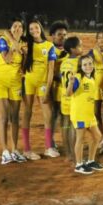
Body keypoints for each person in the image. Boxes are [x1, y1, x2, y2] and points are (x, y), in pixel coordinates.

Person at [20, 20, 58, 160]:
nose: (34, 30)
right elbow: (23, 66)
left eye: (36, 27)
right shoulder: (27, 45)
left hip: (43, 84)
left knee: (47, 115)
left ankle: (48, 147)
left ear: (40, 28)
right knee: (27, 113)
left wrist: (47, 90)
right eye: (30, 29)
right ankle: (27, 149)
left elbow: (51, 70)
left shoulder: (49, 46)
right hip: (29, 82)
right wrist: (23, 54)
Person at [0, 17, 27, 164]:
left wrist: (24, 54)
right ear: (11, 29)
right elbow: (7, 59)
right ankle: (5, 151)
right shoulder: (3, 40)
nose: (17, 28)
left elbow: (24, 66)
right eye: (14, 26)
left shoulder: (24, 44)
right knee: (4, 117)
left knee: (15, 117)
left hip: (16, 83)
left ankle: (14, 150)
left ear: (23, 30)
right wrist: (14, 44)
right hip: (0, 80)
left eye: (20, 26)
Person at [68, 54, 103, 175]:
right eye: (85, 64)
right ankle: (78, 164)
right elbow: (69, 93)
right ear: (80, 66)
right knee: (80, 138)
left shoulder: (92, 78)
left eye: (90, 64)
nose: (88, 66)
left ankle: (90, 161)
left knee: (97, 136)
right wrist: (70, 83)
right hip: (79, 113)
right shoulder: (78, 78)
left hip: (89, 114)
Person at [58, 36, 83, 162]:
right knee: (73, 126)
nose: (81, 49)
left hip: (64, 97)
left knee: (66, 125)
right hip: (74, 98)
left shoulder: (64, 63)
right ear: (73, 49)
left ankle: (68, 153)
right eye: (80, 46)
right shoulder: (78, 63)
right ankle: (74, 155)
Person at [47, 21, 68, 157]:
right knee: (53, 116)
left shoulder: (69, 49)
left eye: (65, 35)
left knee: (65, 117)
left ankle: (66, 142)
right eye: (59, 35)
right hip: (54, 88)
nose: (62, 37)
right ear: (52, 36)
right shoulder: (50, 50)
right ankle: (50, 143)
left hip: (66, 90)